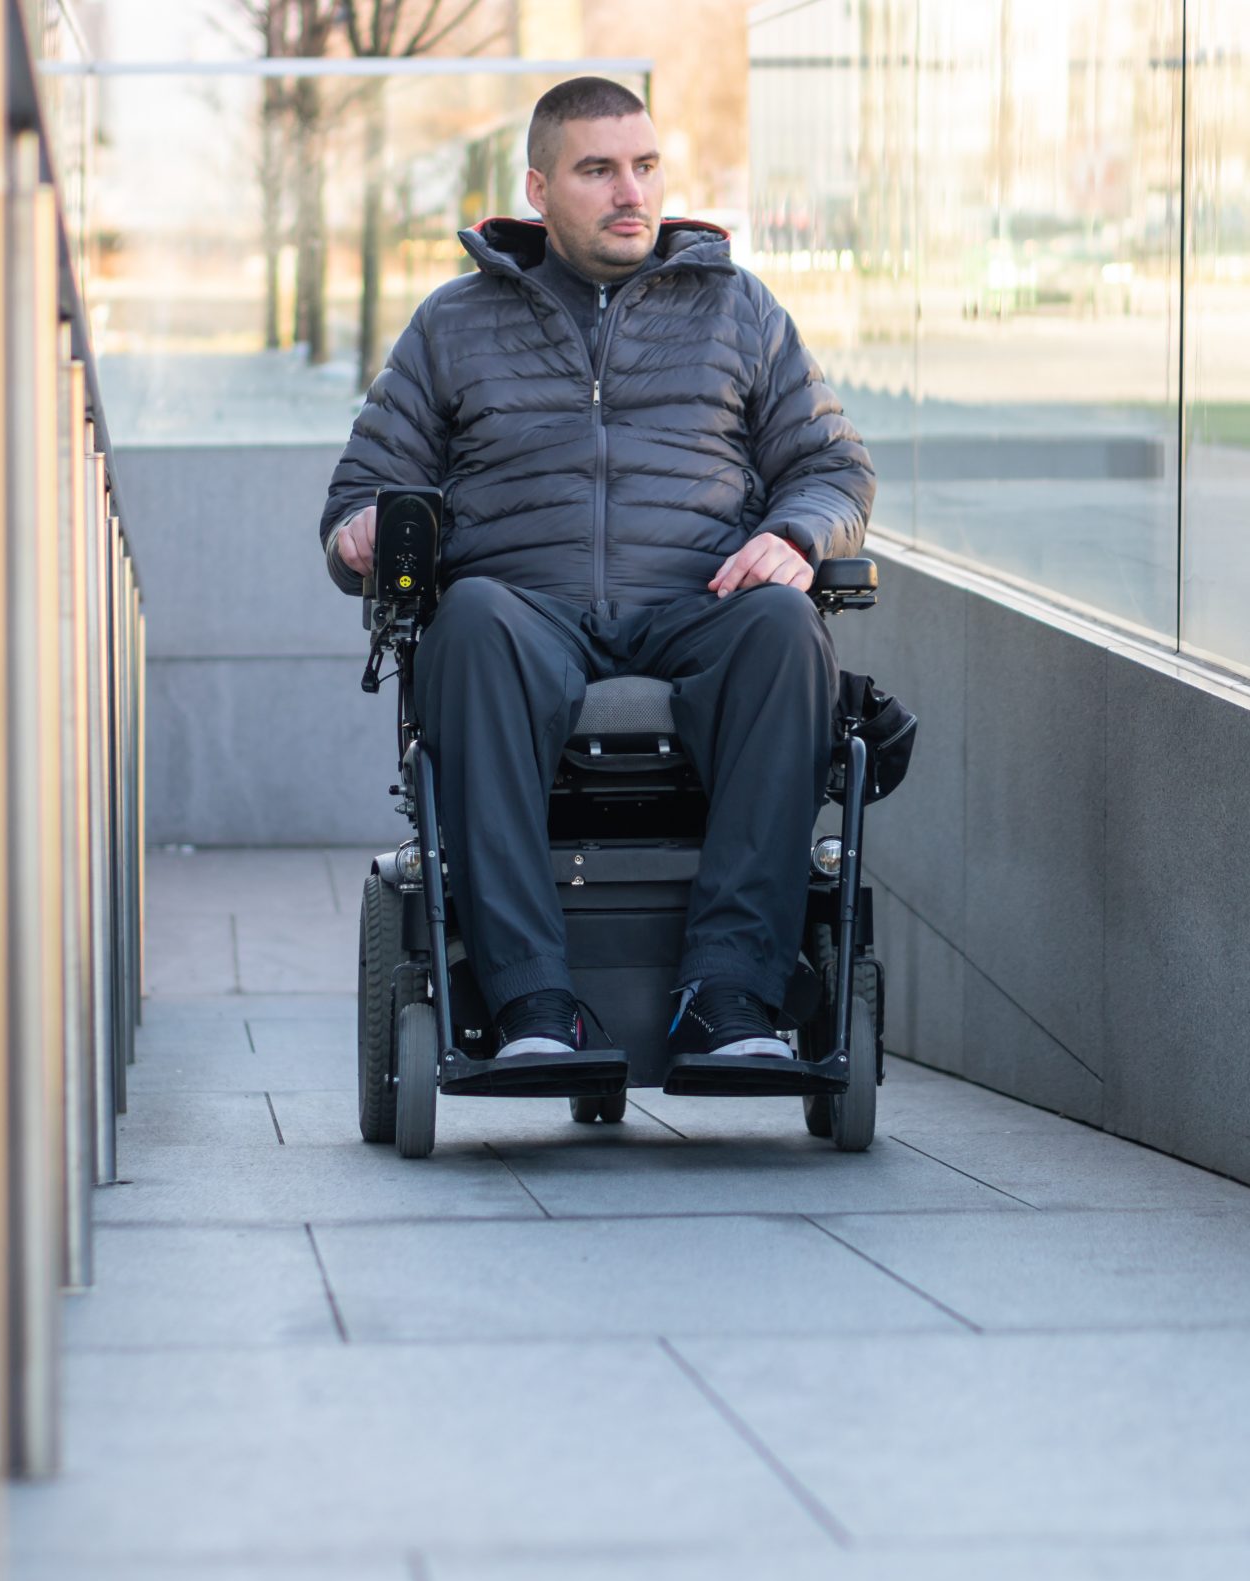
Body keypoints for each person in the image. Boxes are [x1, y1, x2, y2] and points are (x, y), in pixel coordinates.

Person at [319, 77, 874, 1066]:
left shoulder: (738, 311)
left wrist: (795, 536)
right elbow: (361, 489)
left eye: (646, 165)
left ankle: (731, 998)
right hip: (525, 612)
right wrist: (363, 529)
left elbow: (831, 467)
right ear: (539, 188)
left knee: (787, 630)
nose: (632, 191)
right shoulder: (453, 325)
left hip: (699, 604)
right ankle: (533, 1004)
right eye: (598, 169)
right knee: (472, 620)